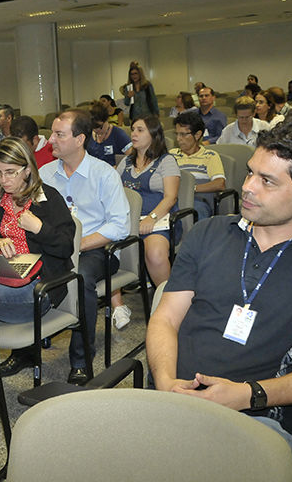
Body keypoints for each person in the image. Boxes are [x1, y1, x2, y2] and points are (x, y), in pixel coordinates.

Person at [147, 114, 292, 451]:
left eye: (268, 181)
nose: (247, 186)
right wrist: (164, 381)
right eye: (250, 172)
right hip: (171, 399)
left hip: (258, 416)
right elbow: (165, 318)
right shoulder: (208, 232)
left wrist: (248, 395)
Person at [0, 137, 74, 429]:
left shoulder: (49, 198)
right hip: (6, 279)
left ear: (27, 170)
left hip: (41, 288)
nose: (4, 179)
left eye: (11, 172)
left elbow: (66, 247)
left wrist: (39, 228)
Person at [38, 109, 130, 384]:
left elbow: (119, 226)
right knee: (24, 273)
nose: (50, 140)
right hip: (56, 247)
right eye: (52, 133)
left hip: (97, 249)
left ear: (80, 139)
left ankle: (81, 358)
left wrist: (79, 245)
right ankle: (25, 351)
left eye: (59, 134)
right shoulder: (45, 173)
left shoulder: (104, 174)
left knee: (81, 279)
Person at [115, 115, 179, 327]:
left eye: (140, 130)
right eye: (133, 129)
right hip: (127, 220)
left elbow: (171, 197)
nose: (133, 133)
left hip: (157, 218)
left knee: (155, 254)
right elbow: (113, 192)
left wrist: (151, 218)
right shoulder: (125, 161)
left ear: (154, 134)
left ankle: (169, 305)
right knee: (103, 252)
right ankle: (118, 306)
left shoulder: (166, 161)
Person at [169, 111, 226, 220]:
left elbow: (220, 184)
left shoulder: (210, 156)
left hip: (197, 201)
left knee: (192, 213)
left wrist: (190, 189)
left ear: (197, 135)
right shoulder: (171, 154)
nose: (178, 139)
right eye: (177, 134)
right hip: (173, 199)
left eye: (183, 134)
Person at [87, 101, 131, 166]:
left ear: (106, 120)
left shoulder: (118, 134)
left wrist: (118, 168)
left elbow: (132, 157)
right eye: (92, 127)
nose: (96, 130)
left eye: (99, 127)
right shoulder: (88, 135)